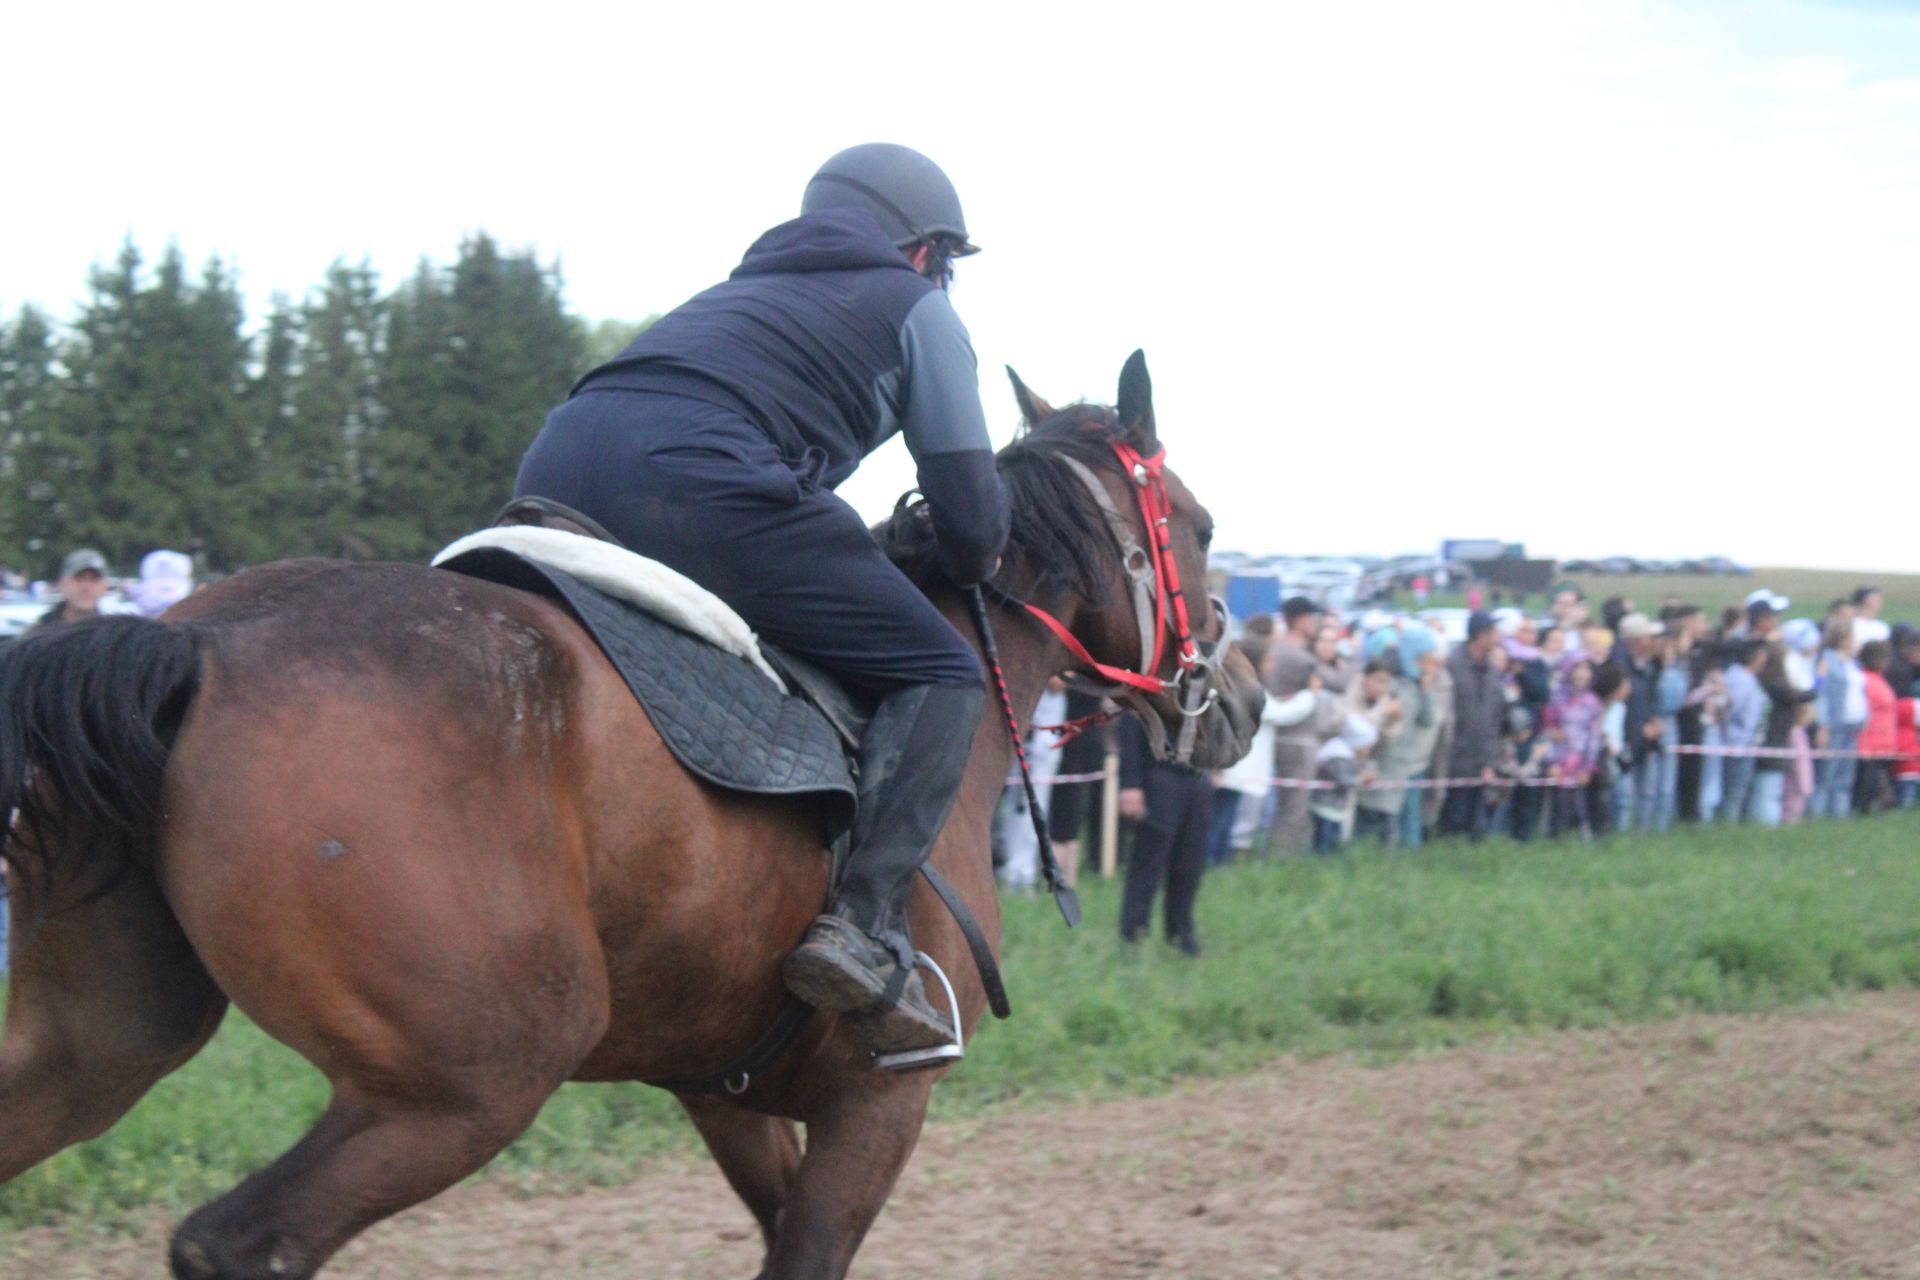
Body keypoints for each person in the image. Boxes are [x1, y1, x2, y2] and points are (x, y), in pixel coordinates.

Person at [514, 143, 1008, 1055]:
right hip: (696, 487)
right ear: (923, 250)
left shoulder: (734, 296)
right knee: (942, 671)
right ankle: (860, 928)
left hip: (557, 462)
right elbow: (975, 536)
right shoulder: (916, 310)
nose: (942, 279)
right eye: (945, 264)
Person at [1117, 714, 1211, 954]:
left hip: (1197, 775)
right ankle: (1133, 935)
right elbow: (1131, 726)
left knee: (1190, 864)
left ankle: (1181, 934)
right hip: (1159, 774)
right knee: (1148, 863)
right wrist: (1130, 783)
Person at [1265, 597, 1328, 854]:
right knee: (1292, 809)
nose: (1316, 623)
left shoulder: (1277, 650)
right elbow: (1335, 682)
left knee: (1281, 808)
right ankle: (1280, 859)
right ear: (1300, 619)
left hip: (1279, 736)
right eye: (1312, 617)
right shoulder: (1299, 657)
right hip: (1298, 738)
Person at [1437, 611, 1507, 840]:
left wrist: (1490, 759)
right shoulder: (1453, 665)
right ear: (1480, 635)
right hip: (1454, 754)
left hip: (1482, 756)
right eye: (1493, 632)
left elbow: (1494, 717)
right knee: (1453, 814)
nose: (1497, 637)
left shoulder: (1491, 670)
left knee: (1474, 817)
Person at [24, 548, 111, 635]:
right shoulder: (39, 633)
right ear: (62, 584)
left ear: (104, 587)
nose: (86, 587)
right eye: (79, 578)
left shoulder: (112, 636)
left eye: (94, 580)